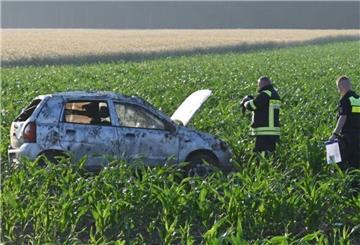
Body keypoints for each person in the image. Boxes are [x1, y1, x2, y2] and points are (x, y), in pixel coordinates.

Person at [240, 76, 281, 156]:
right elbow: (264, 106)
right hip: (273, 131)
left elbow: (253, 105)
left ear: (262, 84)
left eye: (259, 84)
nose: (258, 87)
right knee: (269, 152)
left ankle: (262, 167)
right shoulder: (274, 94)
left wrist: (246, 102)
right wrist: (253, 98)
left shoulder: (265, 93)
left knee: (261, 154)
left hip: (264, 131)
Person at [329, 76, 360, 169]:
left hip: (348, 137)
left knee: (338, 161)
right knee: (356, 163)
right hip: (358, 136)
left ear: (340, 87)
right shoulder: (358, 99)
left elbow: (343, 117)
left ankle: (346, 181)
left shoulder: (345, 99)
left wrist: (335, 134)